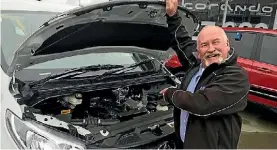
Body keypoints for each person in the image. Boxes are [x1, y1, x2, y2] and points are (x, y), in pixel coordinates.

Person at [161, 0, 250, 149]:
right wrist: (172, 15)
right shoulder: (197, 65)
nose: (210, 49)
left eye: (216, 42)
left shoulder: (236, 77)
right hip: (185, 143)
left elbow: (202, 104)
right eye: (204, 45)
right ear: (199, 50)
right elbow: (183, 43)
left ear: (227, 44)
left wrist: (170, 94)